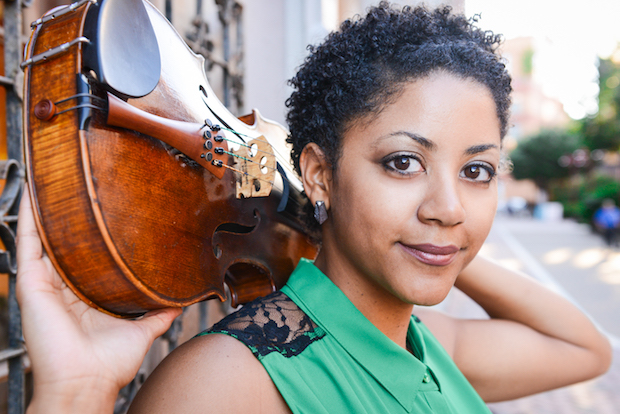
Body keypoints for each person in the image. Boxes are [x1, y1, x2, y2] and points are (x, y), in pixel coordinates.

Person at [17, 3, 611, 414]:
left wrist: (445, 238)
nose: (449, 205)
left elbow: (587, 350)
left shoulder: (426, 344)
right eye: (403, 163)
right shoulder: (227, 382)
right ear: (320, 173)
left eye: (475, 171)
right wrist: (74, 398)